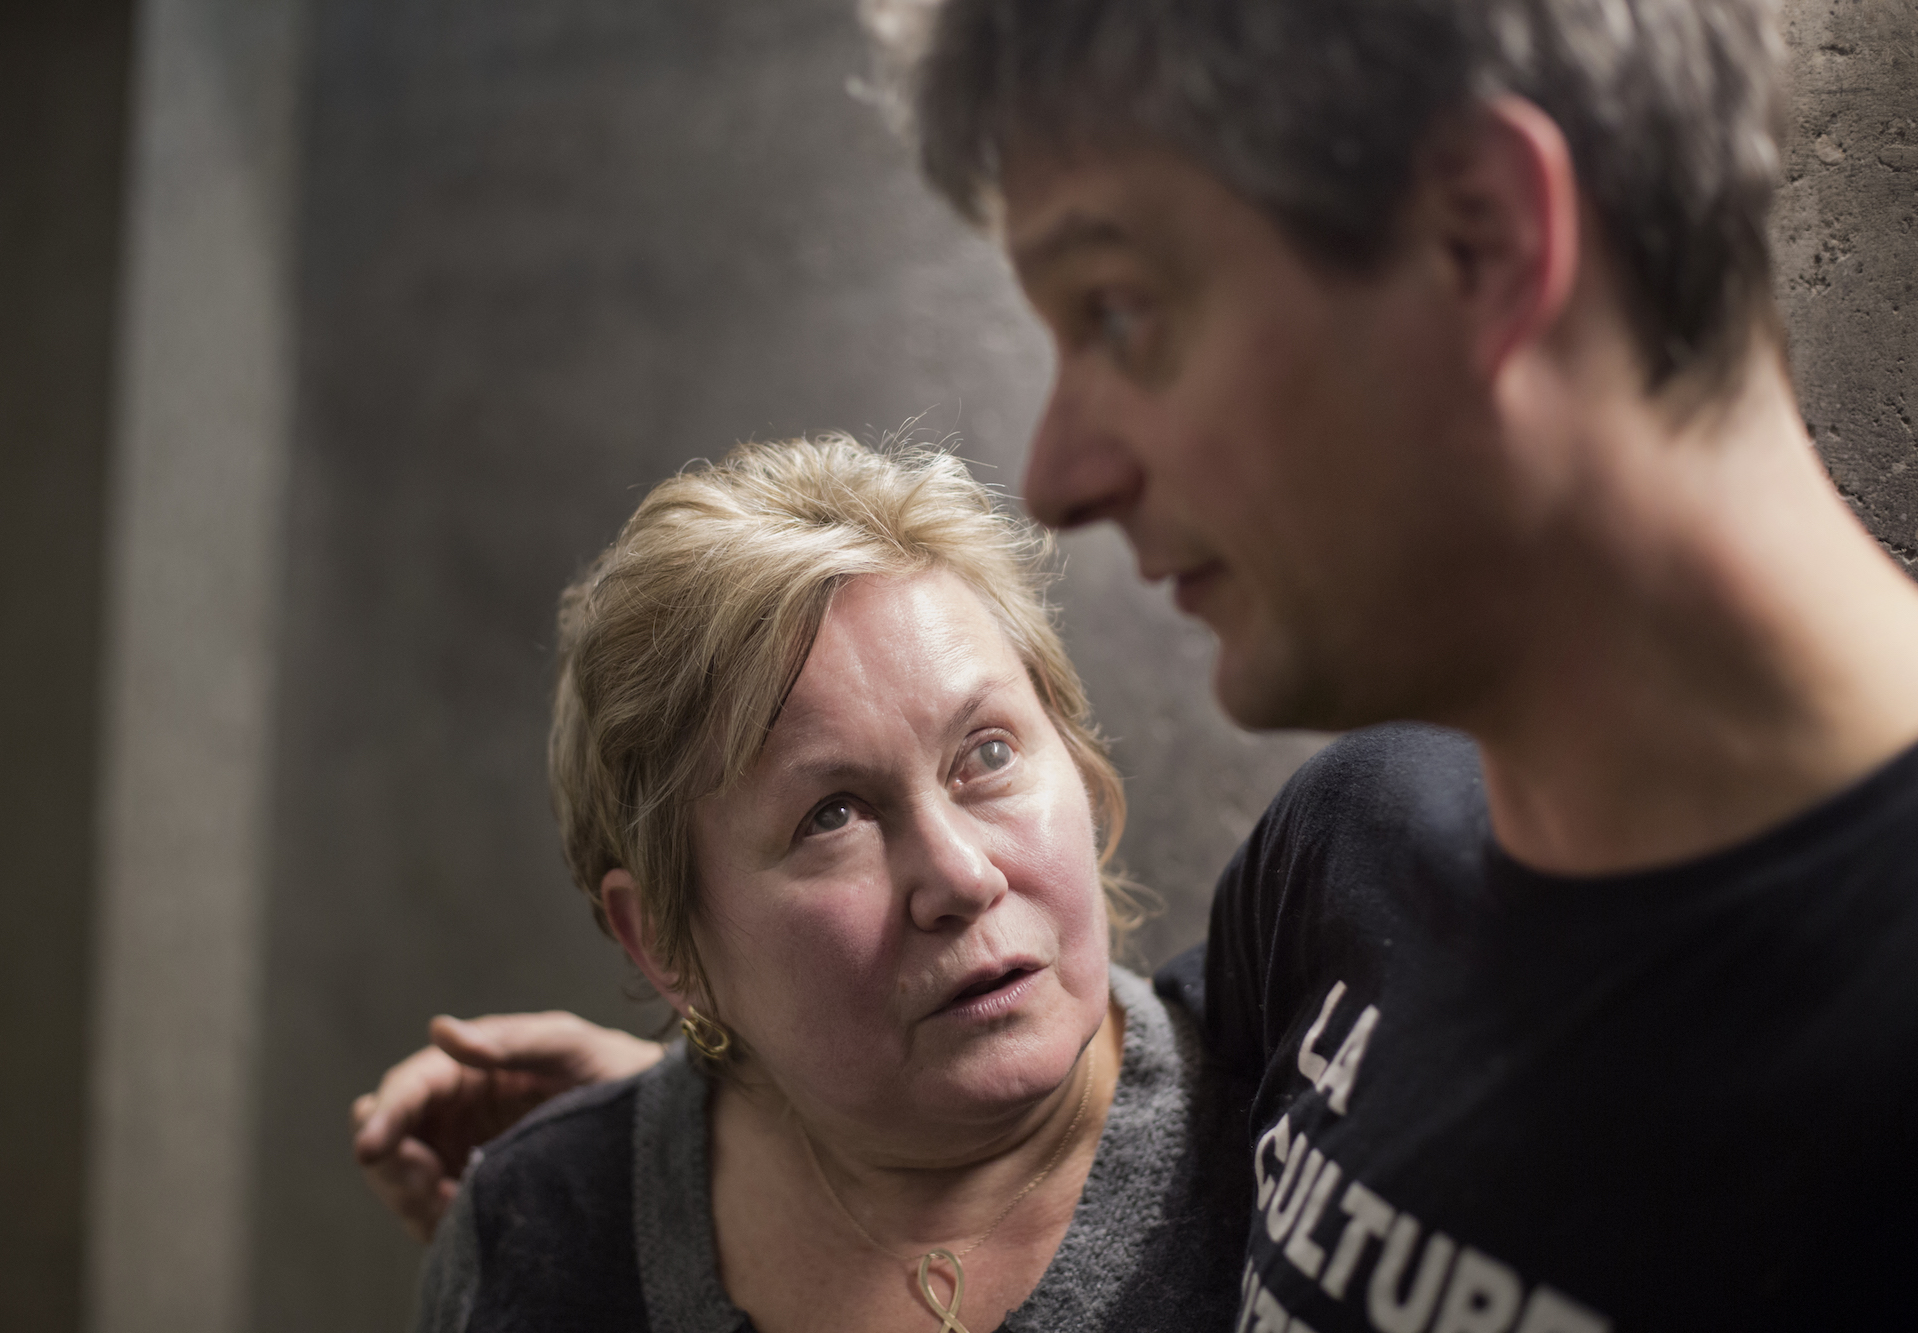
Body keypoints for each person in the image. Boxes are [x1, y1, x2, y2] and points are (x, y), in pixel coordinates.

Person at [360, 0, 1918, 1326]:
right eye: (830, 816)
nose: (1057, 474)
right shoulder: (1359, 859)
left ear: (1487, 241)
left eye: (1120, 310)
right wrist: (691, 1118)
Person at [404, 436, 1249, 1332]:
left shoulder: (1288, 1136)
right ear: (664, 944)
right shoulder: (531, 1233)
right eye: (832, 816)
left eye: (988, 753)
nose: (962, 877)